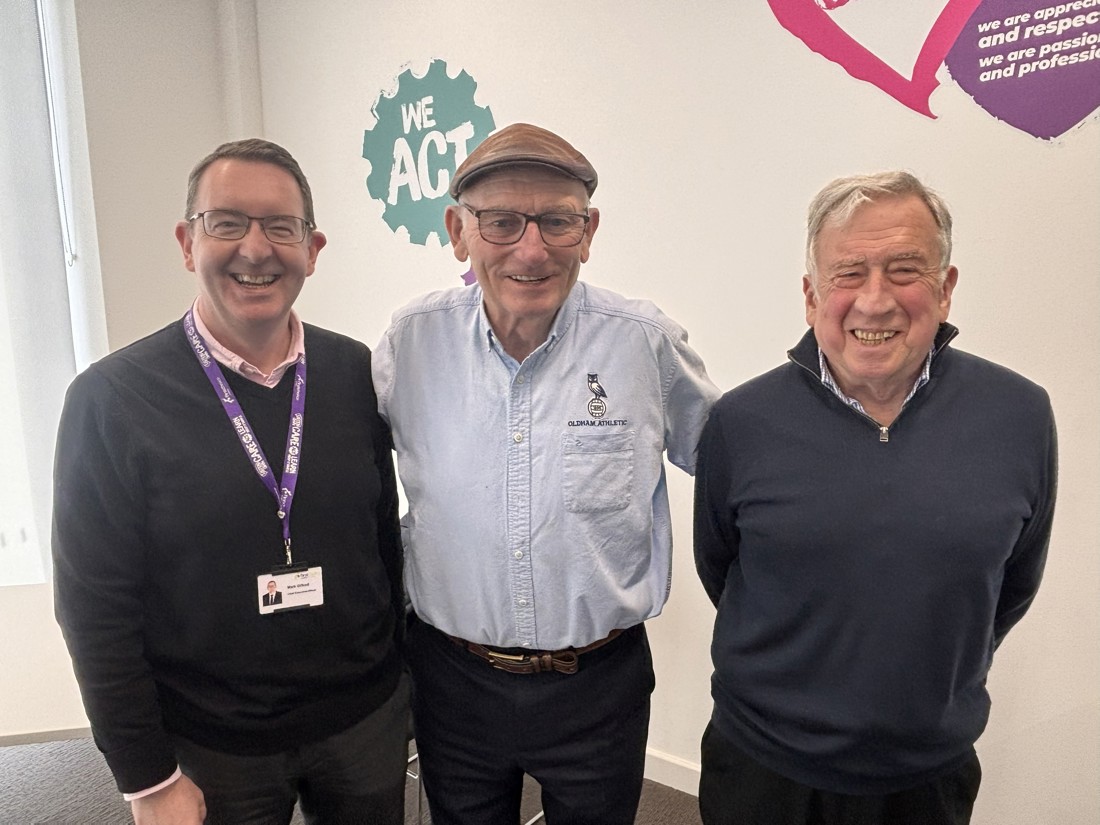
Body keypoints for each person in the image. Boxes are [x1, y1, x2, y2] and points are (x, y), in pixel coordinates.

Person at [372, 122, 719, 824]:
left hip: (598, 686)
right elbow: (350, 477)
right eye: (501, 222)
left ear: (588, 233)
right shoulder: (412, 342)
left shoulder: (643, 344)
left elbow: (733, 472)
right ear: (458, 232)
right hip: (453, 681)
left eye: (557, 221)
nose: (531, 250)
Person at [53, 139, 408, 825]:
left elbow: (380, 540)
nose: (256, 248)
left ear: (313, 249)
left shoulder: (354, 372)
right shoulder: (112, 400)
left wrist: (402, 687)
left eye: (281, 226)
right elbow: (94, 606)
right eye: (227, 222)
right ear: (187, 244)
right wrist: (146, 777)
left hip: (362, 721)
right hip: (211, 743)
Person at [693, 171, 1058, 825]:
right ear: (811, 297)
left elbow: (1013, 584)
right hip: (762, 768)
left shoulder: (1021, 415)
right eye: (848, 273)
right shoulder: (741, 422)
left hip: (928, 774)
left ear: (945, 288)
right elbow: (721, 569)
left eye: (904, 270)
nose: (875, 300)